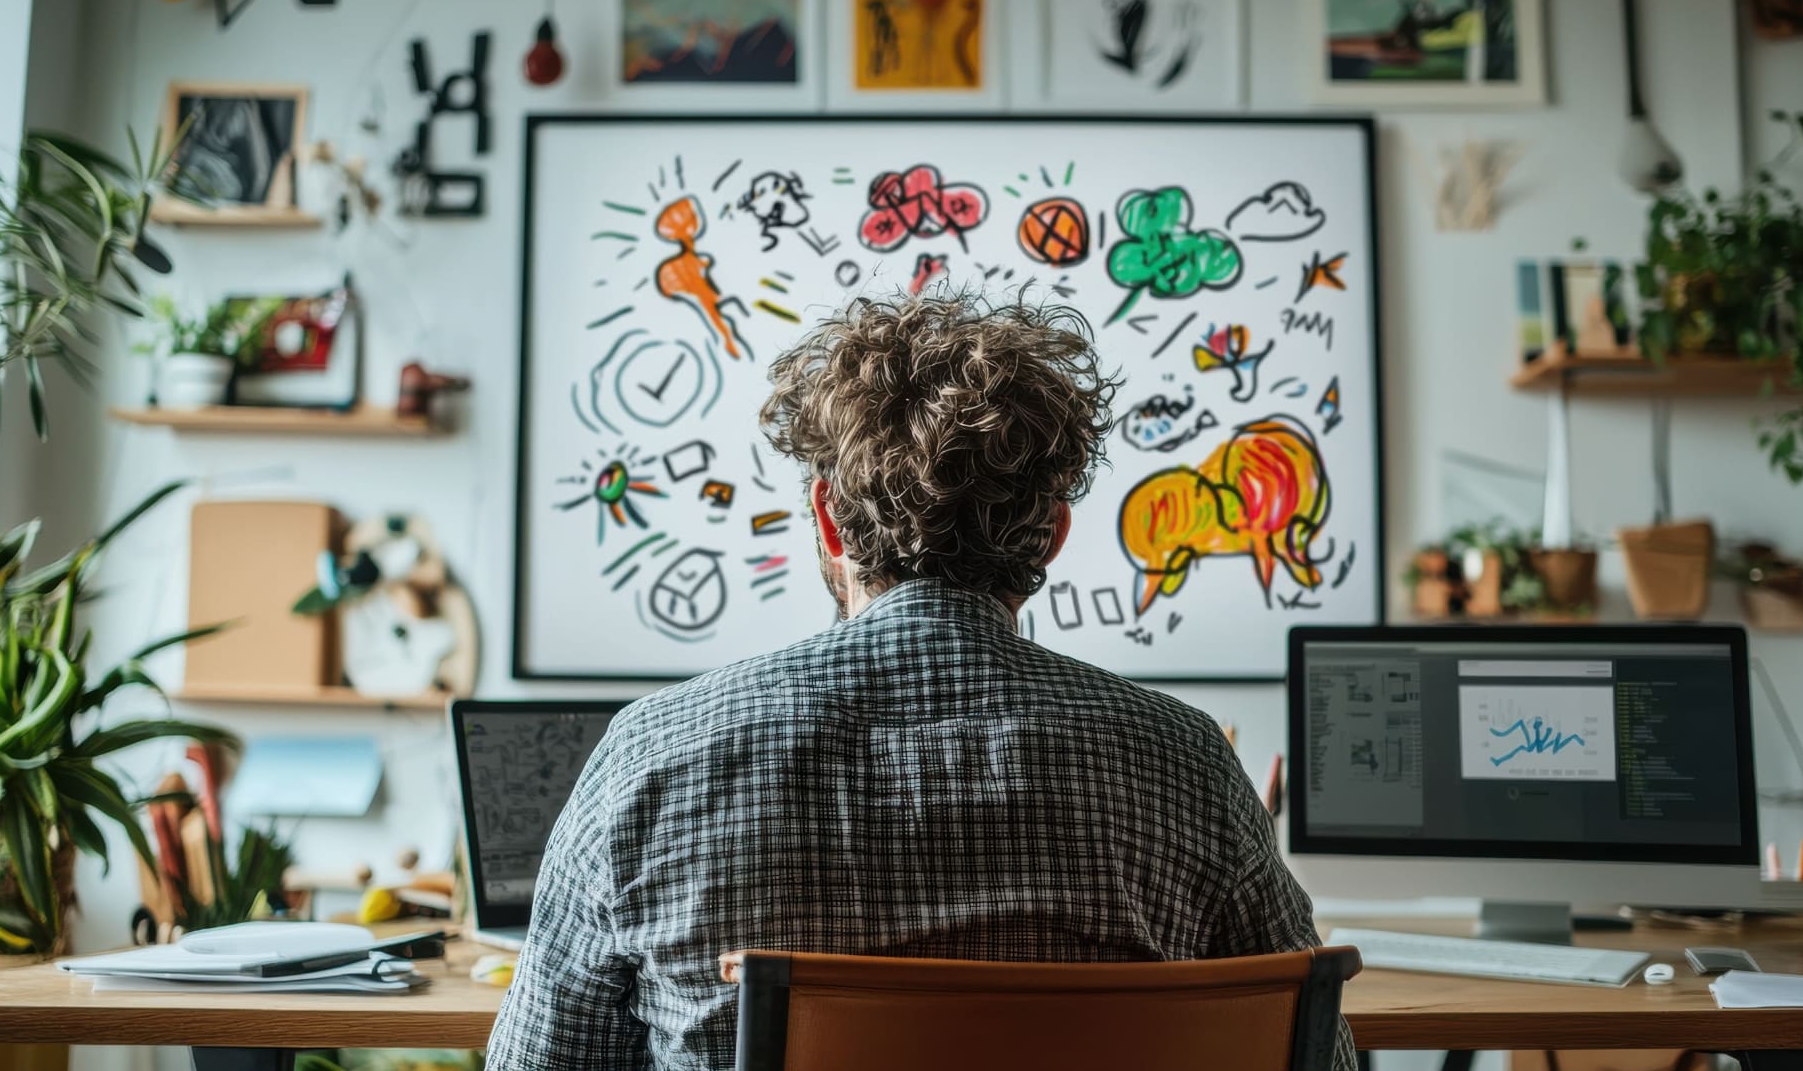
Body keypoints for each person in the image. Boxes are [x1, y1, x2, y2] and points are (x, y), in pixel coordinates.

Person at [485, 292, 1357, 1070]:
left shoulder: (654, 754)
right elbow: (1319, 1056)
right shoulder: (1184, 759)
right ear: (1053, 534)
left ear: (827, 517)